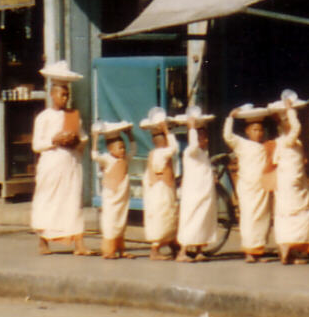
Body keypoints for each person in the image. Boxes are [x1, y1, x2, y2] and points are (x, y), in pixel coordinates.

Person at [31, 61, 90, 256]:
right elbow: (36, 144)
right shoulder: (44, 117)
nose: (64, 98)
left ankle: (79, 244)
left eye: (67, 94)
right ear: (52, 94)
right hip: (51, 165)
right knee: (47, 201)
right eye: (61, 94)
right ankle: (43, 242)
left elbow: (83, 138)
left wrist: (75, 140)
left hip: (70, 164)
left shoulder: (73, 116)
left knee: (73, 201)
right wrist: (54, 139)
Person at [269, 92, 309, 264]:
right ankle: (288, 250)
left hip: (294, 180)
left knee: (289, 213)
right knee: (292, 212)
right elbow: (296, 128)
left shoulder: (292, 142)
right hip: (291, 181)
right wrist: (290, 110)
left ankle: (290, 251)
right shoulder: (286, 140)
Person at [224, 106, 274, 262]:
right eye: (254, 130)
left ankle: (258, 250)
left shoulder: (266, 146)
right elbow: (228, 136)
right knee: (249, 217)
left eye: (260, 130)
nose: (258, 133)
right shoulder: (241, 144)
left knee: (262, 218)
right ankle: (248, 252)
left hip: (261, 187)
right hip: (247, 187)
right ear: (247, 131)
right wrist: (230, 118)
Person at [175, 106, 219, 262]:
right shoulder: (190, 151)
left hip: (205, 193)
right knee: (191, 219)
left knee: (203, 219)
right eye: (201, 138)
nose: (205, 141)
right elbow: (193, 145)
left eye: (205, 137)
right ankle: (183, 251)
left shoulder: (203, 154)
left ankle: (200, 248)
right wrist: (192, 128)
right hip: (193, 194)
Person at [139, 107, 180, 261]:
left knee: (167, 216)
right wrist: (167, 131)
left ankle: (171, 243)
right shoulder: (162, 152)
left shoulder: (155, 153)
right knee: (162, 217)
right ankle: (155, 249)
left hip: (161, 189)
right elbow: (174, 148)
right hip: (160, 191)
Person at [91, 120, 133, 260]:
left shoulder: (125, 159)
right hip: (111, 196)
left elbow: (134, 149)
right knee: (110, 221)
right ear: (111, 149)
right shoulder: (107, 159)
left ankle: (121, 249)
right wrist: (96, 139)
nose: (123, 150)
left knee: (121, 221)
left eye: (123, 147)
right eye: (120, 148)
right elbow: (95, 156)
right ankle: (108, 250)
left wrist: (130, 135)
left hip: (122, 197)